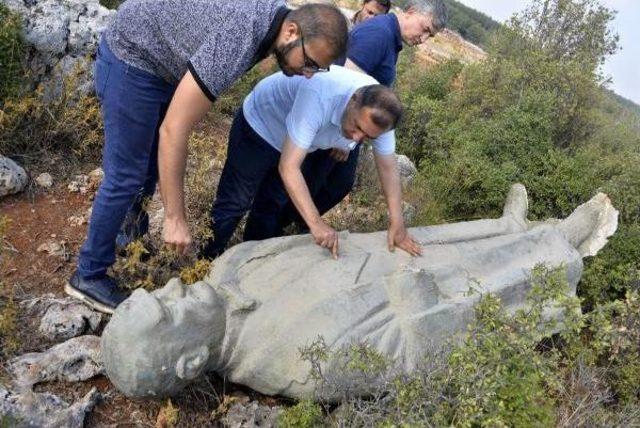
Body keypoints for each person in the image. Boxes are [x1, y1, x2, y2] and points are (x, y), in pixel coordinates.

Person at [66, 1, 349, 314]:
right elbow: (174, 131)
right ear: (291, 31)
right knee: (126, 176)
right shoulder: (239, 38)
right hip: (132, 57)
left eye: (317, 69)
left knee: (145, 170)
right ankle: (89, 274)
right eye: (309, 63)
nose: (308, 75)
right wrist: (175, 218)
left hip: (161, 62)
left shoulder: (271, 27)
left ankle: (128, 236)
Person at [199, 65, 422, 260]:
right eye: (357, 127)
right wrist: (316, 224)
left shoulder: (380, 116)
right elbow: (289, 167)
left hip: (299, 141)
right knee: (236, 202)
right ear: (353, 99)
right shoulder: (320, 94)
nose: (356, 138)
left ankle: (252, 261)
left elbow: (388, 167)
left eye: (367, 137)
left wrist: (398, 223)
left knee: (272, 204)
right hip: (261, 126)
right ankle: (206, 261)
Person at [280, 0, 448, 234]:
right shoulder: (379, 34)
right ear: (411, 12)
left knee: (337, 183)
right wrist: (345, 140)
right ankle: (285, 227)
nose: (424, 39)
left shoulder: (390, 37)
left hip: (353, 126)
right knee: (321, 181)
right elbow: (343, 78)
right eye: (426, 29)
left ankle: (294, 225)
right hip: (341, 124)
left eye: (430, 36)